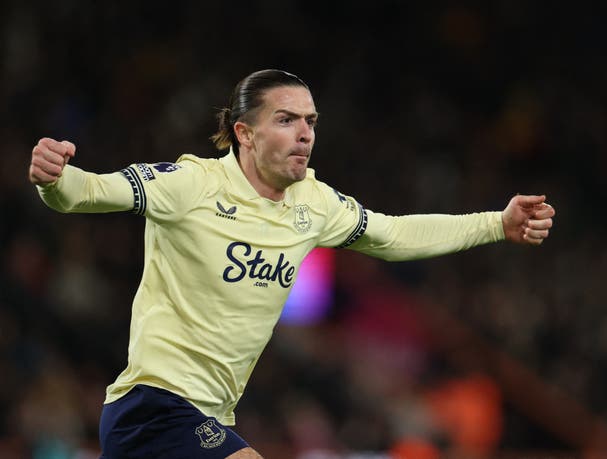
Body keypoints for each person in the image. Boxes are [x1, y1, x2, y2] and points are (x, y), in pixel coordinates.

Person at [28, 69, 555, 459]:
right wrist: (55, 179)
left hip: (209, 417)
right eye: (285, 120)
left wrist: (496, 223)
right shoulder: (192, 185)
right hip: (151, 408)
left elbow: (393, 234)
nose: (305, 132)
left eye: (310, 121)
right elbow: (89, 191)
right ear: (245, 133)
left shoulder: (313, 203)